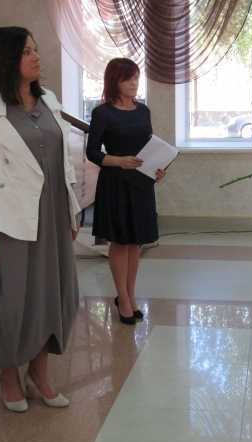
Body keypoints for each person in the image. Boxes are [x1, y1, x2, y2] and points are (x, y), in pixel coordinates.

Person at [0, 26, 81, 412]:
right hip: (10, 219)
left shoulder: (49, 100)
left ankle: (39, 374)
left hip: (53, 215)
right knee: (13, 299)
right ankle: (9, 375)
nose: (36, 56)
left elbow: (64, 161)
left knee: (53, 296)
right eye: (26, 51)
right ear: (6, 57)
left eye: (35, 49)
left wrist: (72, 209)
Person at [86, 58, 165, 325]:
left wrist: (158, 168)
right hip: (115, 183)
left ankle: (129, 295)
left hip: (141, 183)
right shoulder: (102, 113)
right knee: (120, 242)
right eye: (128, 78)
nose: (134, 83)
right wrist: (119, 161)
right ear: (114, 81)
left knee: (135, 242)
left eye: (136, 77)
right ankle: (122, 297)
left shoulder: (143, 111)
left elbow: (149, 146)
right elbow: (92, 152)